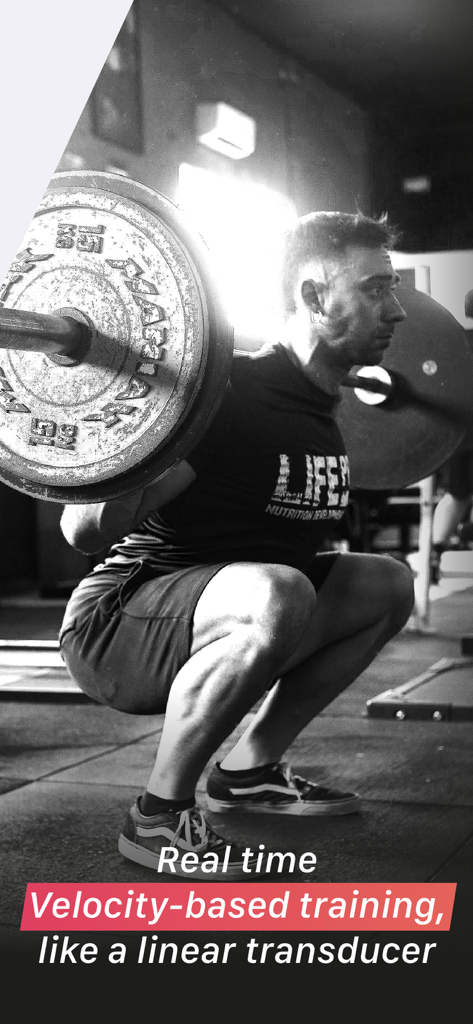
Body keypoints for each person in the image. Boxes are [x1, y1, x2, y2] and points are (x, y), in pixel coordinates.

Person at [59, 211, 414, 878]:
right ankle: (156, 817)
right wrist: (126, 441)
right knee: (281, 590)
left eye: (390, 288)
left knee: (385, 583)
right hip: (123, 623)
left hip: (227, 613)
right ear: (312, 296)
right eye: (373, 288)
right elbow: (84, 532)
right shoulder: (230, 396)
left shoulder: (321, 404)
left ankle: (249, 772)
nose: (394, 309)